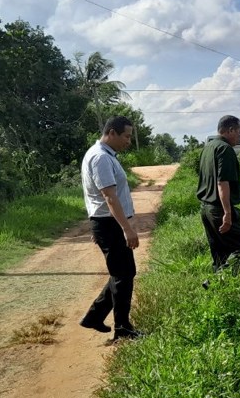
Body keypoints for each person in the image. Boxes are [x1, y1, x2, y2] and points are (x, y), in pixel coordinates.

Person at [79, 116, 142, 340]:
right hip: (110, 223)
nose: (128, 141)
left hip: (106, 222)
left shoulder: (105, 155)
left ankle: (94, 317)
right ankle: (122, 329)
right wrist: (127, 229)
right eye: (125, 136)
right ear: (111, 133)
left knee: (122, 273)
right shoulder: (100, 158)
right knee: (123, 274)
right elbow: (109, 197)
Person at [197, 115, 240, 282]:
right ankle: (214, 282)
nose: (239, 136)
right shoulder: (225, 149)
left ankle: (219, 289)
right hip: (219, 209)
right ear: (230, 130)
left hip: (206, 209)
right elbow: (222, 183)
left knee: (220, 252)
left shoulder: (208, 148)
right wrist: (227, 213)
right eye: (238, 132)